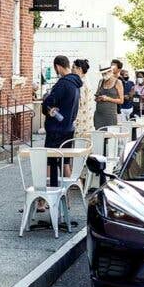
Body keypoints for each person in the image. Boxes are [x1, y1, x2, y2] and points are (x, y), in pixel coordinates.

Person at [38, 55, 82, 208]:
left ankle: (43, 201)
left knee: (49, 163)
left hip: (56, 128)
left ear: (57, 66)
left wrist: (47, 109)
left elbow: (48, 103)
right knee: (65, 163)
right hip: (69, 128)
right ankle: (66, 200)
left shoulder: (63, 84)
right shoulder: (76, 84)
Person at [70, 59, 92, 164]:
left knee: (79, 149)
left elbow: (79, 103)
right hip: (85, 120)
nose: (71, 69)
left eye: (73, 67)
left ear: (79, 69)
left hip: (81, 121)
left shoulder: (81, 84)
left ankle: (78, 175)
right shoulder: (85, 81)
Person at [94, 63, 124, 128]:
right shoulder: (101, 81)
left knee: (111, 135)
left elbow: (121, 101)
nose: (103, 75)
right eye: (102, 73)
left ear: (110, 71)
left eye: (105, 73)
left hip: (110, 115)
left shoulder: (118, 82)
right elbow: (96, 97)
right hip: (99, 114)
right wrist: (98, 98)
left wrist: (107, 99)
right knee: (99, 135)